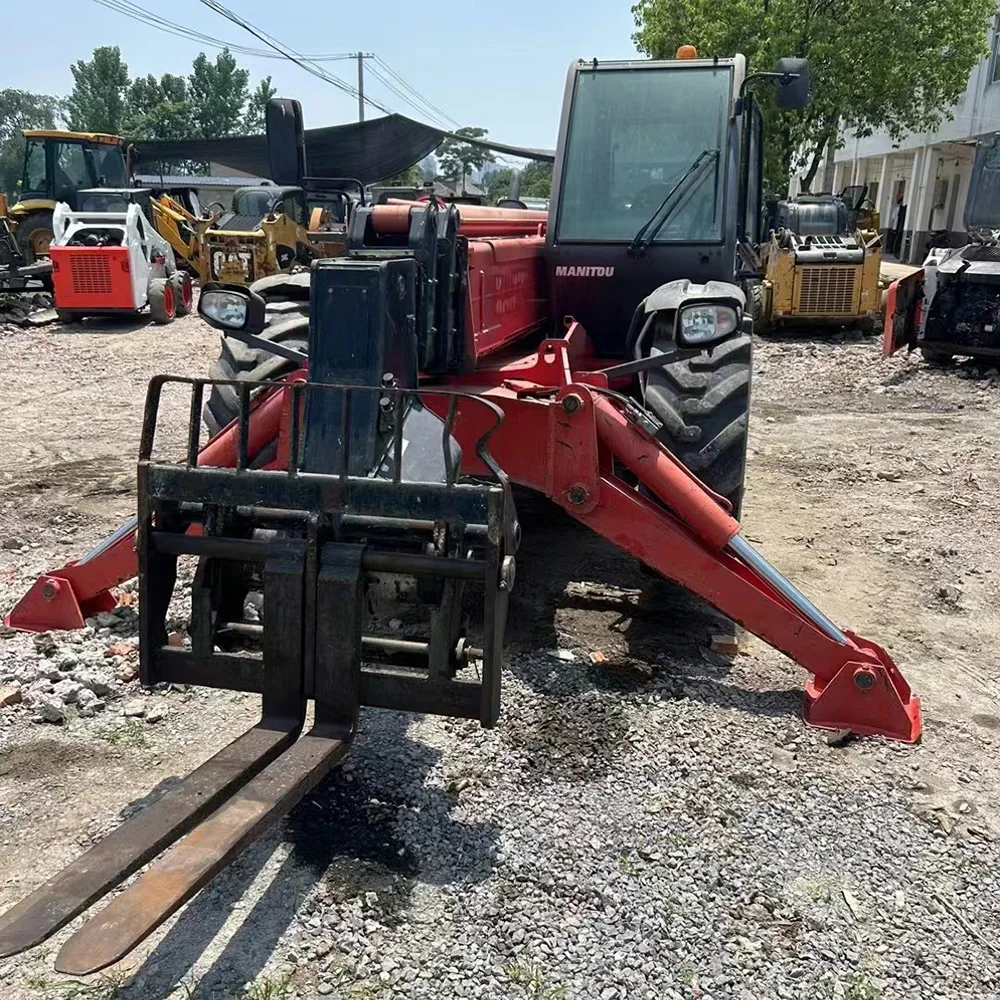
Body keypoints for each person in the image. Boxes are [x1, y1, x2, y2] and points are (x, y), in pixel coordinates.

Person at [890, 192, 907, 257]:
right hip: (897, 227)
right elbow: (894, 217)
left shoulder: (899, 208)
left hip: (897, 227)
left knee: (896, 239)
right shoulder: (898, 209)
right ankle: (894, 250)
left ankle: (894, 250)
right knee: (896, 239)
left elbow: (893, 217)